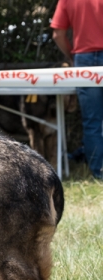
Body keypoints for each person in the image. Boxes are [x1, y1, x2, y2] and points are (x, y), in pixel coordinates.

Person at [51, 0, 103, 180]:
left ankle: (99, 172)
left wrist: (71, 56)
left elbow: (58, 34)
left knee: (92, 122)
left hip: (84, 60)